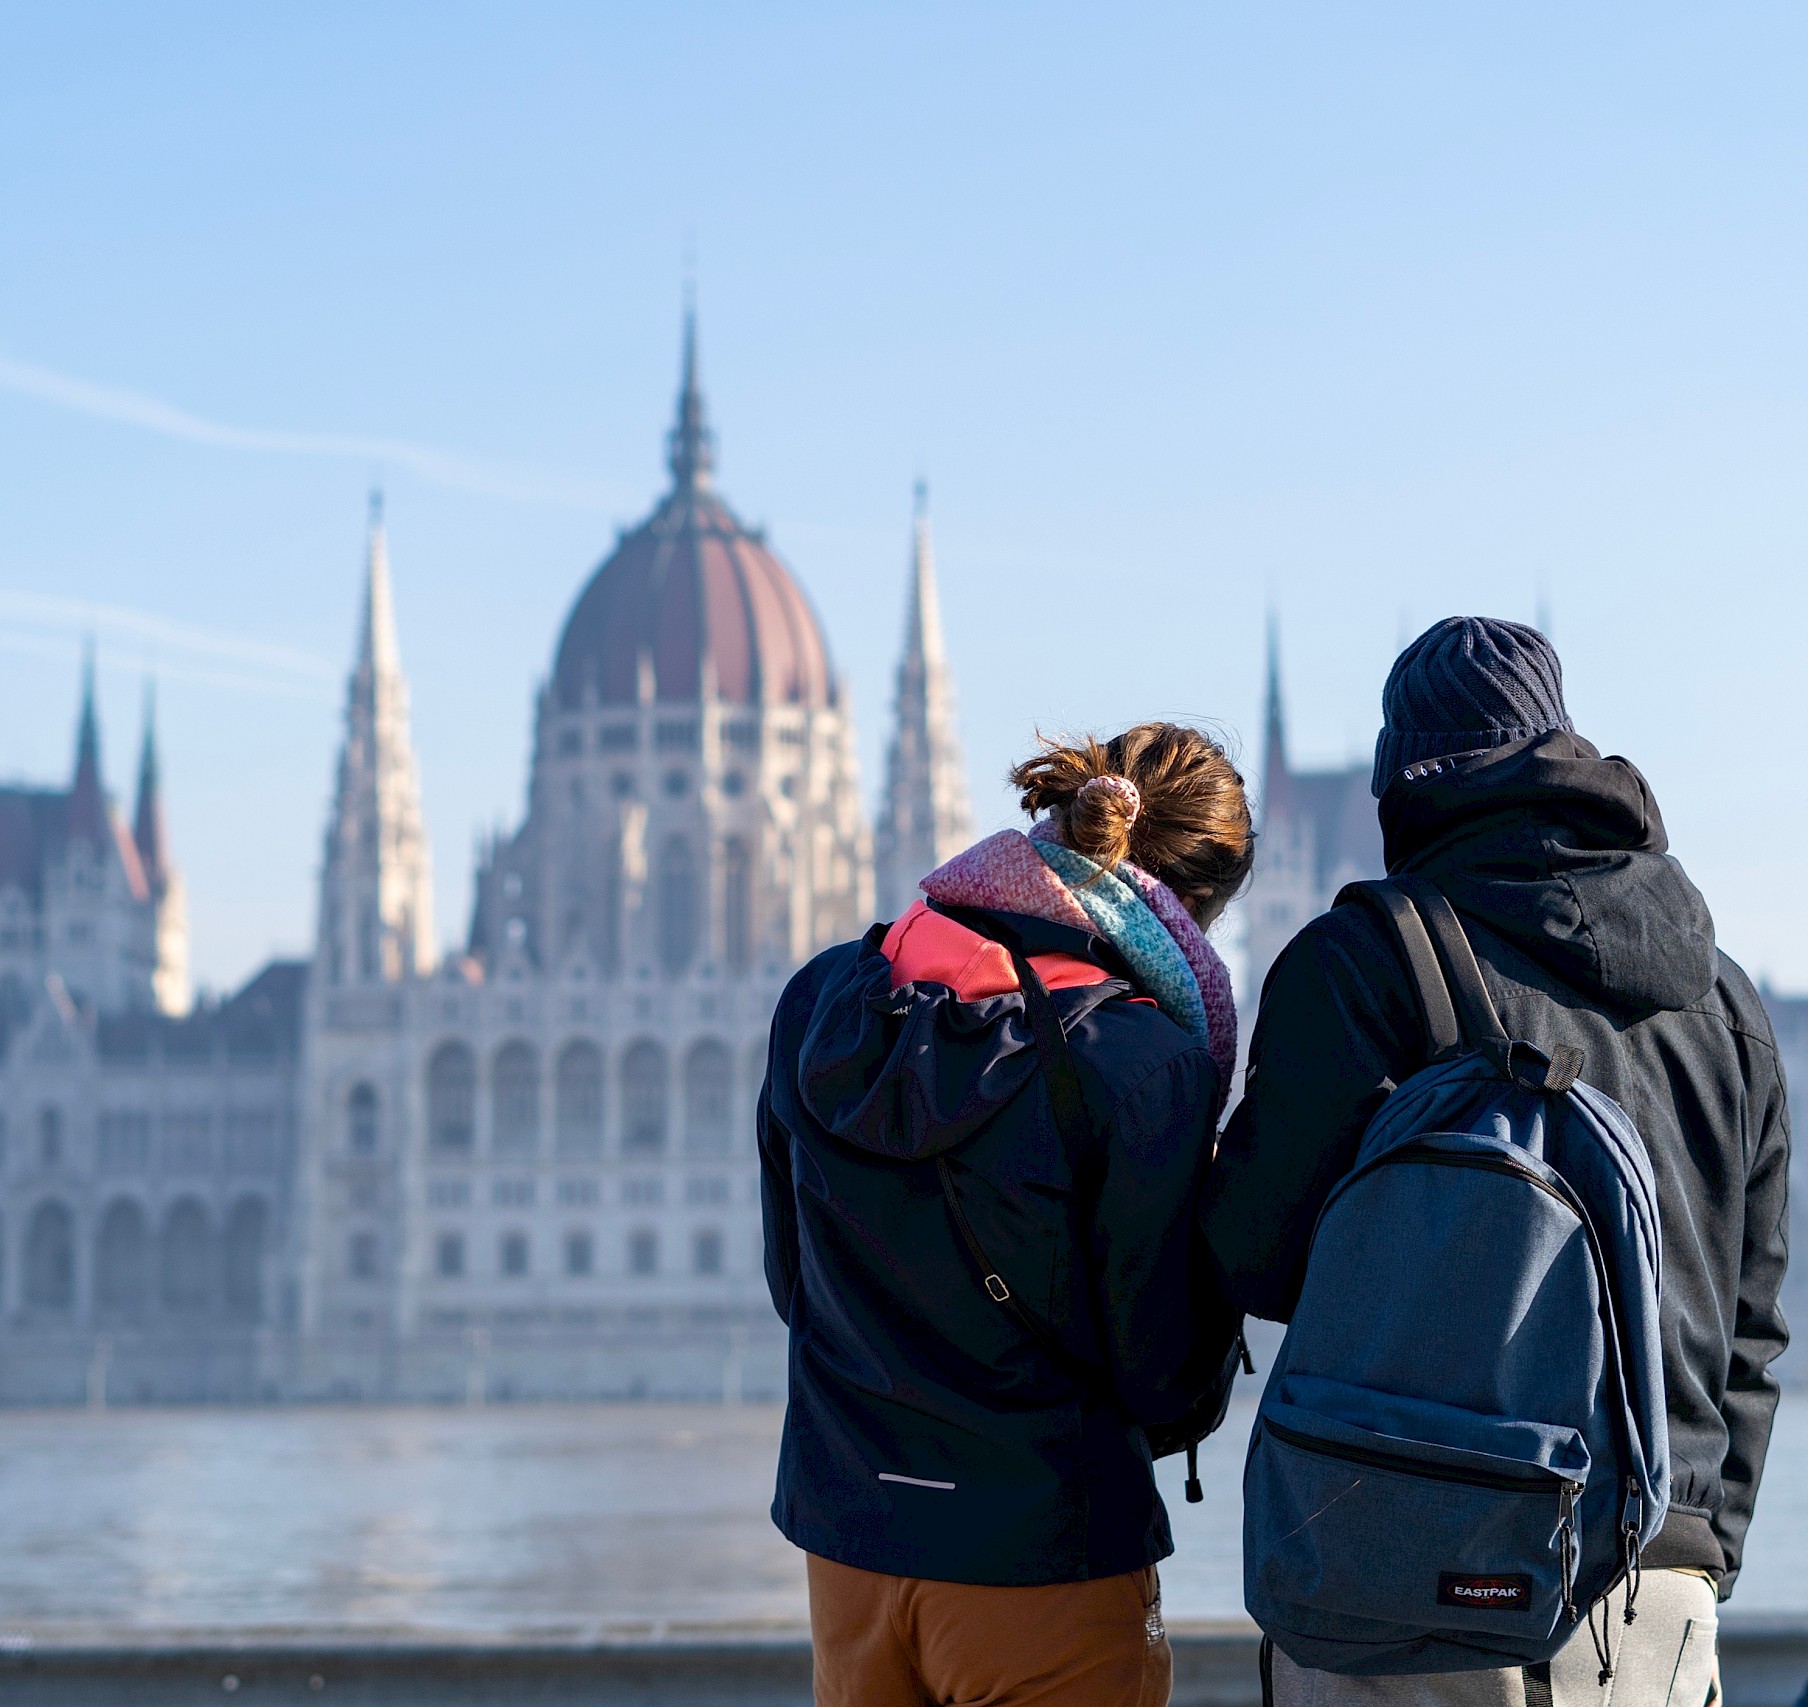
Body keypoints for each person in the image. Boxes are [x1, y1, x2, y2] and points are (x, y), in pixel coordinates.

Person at [1208, 617, 1789, 1705]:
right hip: (1660, 1605)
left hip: (1413, 1582)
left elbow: (1252, 1255)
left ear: (1400, 780)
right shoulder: (1727, 1000)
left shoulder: (1360, 967)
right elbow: (1751, 1324)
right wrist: (1700, 1552)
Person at [759, 723, 1254, 1707]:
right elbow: (1161, 1379)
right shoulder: (1144, 1066)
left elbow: (791, 1284)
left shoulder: (821, 1000)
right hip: (1044, 1554)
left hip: (849, 1541)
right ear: (1188, 911)